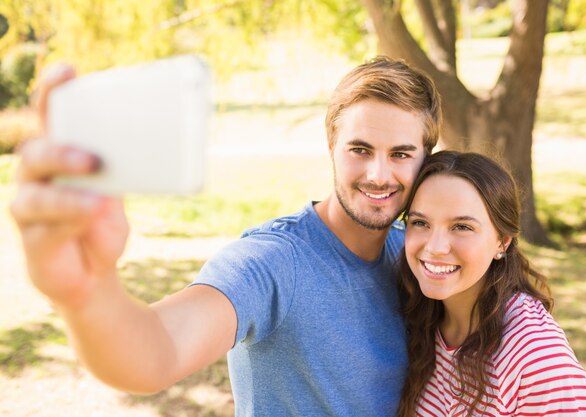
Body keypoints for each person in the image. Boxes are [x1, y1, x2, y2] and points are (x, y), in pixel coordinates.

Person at [10, 56, 442, 416]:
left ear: (425, 160)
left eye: (400, 154)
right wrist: (88, 294)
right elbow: (155, 353)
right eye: (360, 149)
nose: (378, 174)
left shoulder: (416, 255)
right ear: (331, 146)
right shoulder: (272, 262)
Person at [396, 150, 586, 416]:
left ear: (502, 241)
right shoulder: (419, 314)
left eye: (462, 227)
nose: (435, 247)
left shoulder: (536, 355)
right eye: (420, 222)